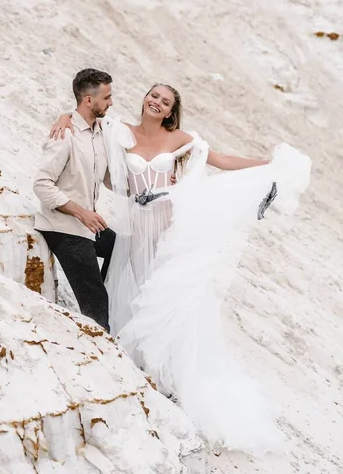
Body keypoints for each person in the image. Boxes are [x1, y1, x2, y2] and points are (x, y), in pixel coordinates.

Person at [51, 83, 311, 455]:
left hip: (168, 228)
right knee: (135, 289)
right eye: (153, 96)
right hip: (134, 231)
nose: (156, 102)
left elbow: (219, 160)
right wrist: (64, 116)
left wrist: (267, 165)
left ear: (171, 111)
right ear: (144, 100)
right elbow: (88, 123)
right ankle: (137, 365)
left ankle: (167, 373)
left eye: (165, 101)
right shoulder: (120, 131)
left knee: (165, 294)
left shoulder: (180, 138)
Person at [33, 68, 116, 332]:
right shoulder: (64, 135)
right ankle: (98, 337)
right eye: (107, 97)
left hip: (86, 226)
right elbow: (42, 185)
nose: (111, 103)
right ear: (89, 100)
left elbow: (106, 178)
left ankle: (101, 294)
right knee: (96, 302)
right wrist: (81, 213)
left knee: (122, 247)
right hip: (64, 228)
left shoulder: (100, 132)